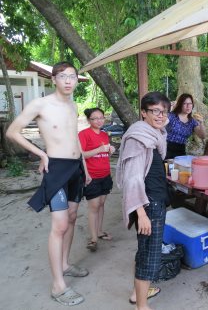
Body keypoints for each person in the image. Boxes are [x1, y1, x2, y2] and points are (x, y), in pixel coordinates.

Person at [6, 61, 91, 306]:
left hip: (75, 168)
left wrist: (84, 167)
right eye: (62, 76)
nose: (67, 80)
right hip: (56, 168)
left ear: (76, 80)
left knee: (73, 216)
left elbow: (74, 136)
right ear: (53, 79)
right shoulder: (41, 104)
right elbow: (12, 131)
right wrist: (42, 154)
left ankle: (65, 264)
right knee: (60, 225)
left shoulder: (73, 104)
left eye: (72, 76)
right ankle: (57, 286)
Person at [116, 92, 171, 310]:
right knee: (150, 256)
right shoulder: (138, 139)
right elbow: (132, 179)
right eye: (155, 111)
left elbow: (161, 127)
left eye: (164, 111)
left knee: (145, 250)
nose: (160, 115)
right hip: (149, 205)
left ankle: (136, 293)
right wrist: (141, 214)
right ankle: (141, 306)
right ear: (143, 113)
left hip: (155, 200)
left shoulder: (154, 134)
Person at [78, 107, 115, 252]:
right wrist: (99, 150)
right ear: (89, 120)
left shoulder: (105, 135)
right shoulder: (83, 134)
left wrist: (110, 151)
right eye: (95, 118)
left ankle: (99, 231)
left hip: (105, 174)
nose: (99, 120)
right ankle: (93, 239)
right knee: (94, 206)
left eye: (101, 117)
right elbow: (82, 155)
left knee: (101, 204)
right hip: (91, 176)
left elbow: (104, 154)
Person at [165, 93, 206, 159]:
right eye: (185, 103)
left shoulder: (192, 121)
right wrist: (169, 109)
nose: (188, 106)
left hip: (181, 150)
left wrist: (201, 123)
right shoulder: (172, 116)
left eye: (190, 104)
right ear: (180, 104)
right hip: (167, 148)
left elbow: (202, 136)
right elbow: (162, 124)